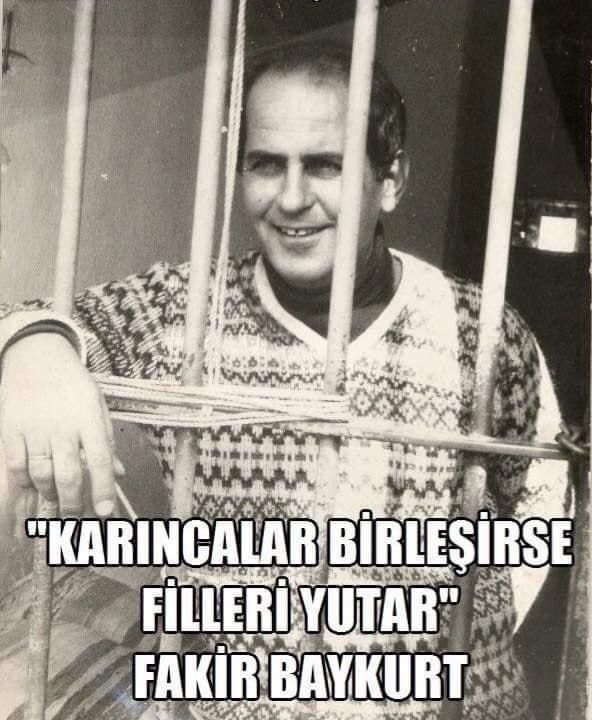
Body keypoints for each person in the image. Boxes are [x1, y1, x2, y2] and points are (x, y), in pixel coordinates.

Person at [0, 41, 569, 720]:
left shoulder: (480, 331)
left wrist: (471, 640)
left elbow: (545, 501)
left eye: (325, 165)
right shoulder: (182, 311)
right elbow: (37, 316)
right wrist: (34, 350)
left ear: (391, 179)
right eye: (267, 164)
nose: (292, 199)